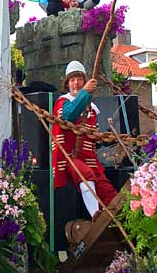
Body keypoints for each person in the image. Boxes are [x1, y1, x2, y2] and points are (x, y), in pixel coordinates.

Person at [51, 60, 118, 220]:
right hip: (69, 156)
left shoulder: (92, 109)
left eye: (79, 79)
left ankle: (119, 217)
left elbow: (94, 137)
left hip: (89, 158)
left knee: (106, 188)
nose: (76, 83)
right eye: (72, 80)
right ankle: (96, 216)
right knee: (86, 174)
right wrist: (85, 93)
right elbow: (68, 116)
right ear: (67, 83)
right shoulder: (63, 102)